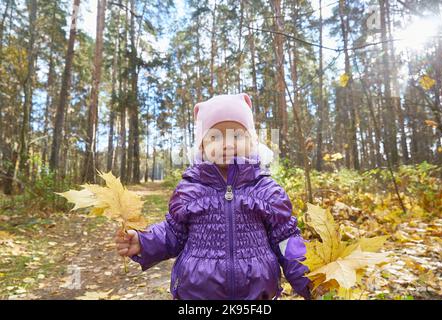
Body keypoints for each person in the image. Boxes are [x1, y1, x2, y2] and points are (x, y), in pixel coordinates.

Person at [114, 93, 311, 300]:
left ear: (252, 141)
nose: (227, 144)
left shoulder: (267, 190)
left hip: (257, 295)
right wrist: (144, 242)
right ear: (202, 146)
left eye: (237, 135)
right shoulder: (189, 189)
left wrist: (312, 282)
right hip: (197, 295)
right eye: (215, 136)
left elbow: (286, 241)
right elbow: (173, 232)